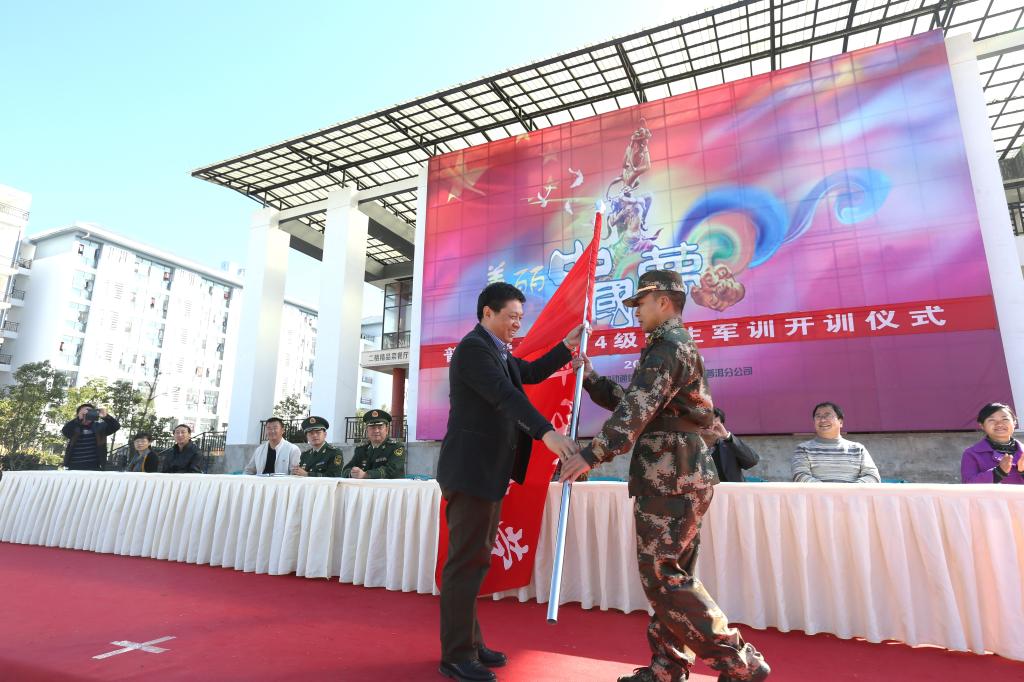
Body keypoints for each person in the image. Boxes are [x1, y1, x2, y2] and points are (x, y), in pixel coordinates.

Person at [560, 269, 770, 682]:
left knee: (662, 575)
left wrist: (590, 455)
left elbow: (634, 412)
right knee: (673, 575)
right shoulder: (669, 346)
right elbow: (638, 403)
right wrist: (593, 378)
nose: (636, 312)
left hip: (672, 474)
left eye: (640, 303)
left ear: (663, 300)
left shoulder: (668, 347)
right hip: (679, 472)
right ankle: (667, 667)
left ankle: (739, 662)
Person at [437, 282, 582, 682]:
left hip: (487, 472)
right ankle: (456, 655)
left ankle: (470, 642)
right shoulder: (473, 350)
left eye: (521, 317)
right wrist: (545, 432)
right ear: (487, 312)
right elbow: (505, 395)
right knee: (465, 564)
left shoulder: (498, 351)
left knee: (476, 561)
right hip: (471, 471)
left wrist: (567, 347)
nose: (518, 324)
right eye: (511, 317)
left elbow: (528, 374)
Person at [791, 402, 880, 483]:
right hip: (817, 496)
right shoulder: (803, 449)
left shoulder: (858, 449)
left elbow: (873, 476)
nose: (822, 420)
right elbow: (800, 476)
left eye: (827, 415)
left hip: (851, 495)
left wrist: (848, 491)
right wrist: (829, 492)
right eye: (818, 416)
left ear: (840, 422)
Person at [961, 403, 1024, 484]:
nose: (999, 424)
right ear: (982, 425)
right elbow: (968, 485)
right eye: (991, 420)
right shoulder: (971, 454)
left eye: (1005, 419)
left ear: (1014, 423)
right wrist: (998, 472)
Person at [700, 407, 759, 483]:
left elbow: (752, 461)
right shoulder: (690, 446)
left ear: (722, 425)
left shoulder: (730, 445)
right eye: (704, 421)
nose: (708, 425)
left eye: (713, 421)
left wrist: (727, 437)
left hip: (730, 489)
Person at [341, 410, 405, 479]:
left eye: (380, 427)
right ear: (367, 431)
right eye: (372, 427)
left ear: (387, 430)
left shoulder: (396, 447)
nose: (376, 431)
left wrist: (366, 475)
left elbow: (392, 470)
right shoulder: (361, 450)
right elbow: (345, 470)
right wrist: (352, 473)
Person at [62, 404, 120, 471]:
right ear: (78, 414)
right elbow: (65, 431)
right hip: (73, 466)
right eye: (84, 412)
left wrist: (106, 416)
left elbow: (116, 426)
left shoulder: (100, 427)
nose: (87, 413)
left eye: (90, 411)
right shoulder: (74, 427)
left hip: (94, 467)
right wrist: (79, 419)